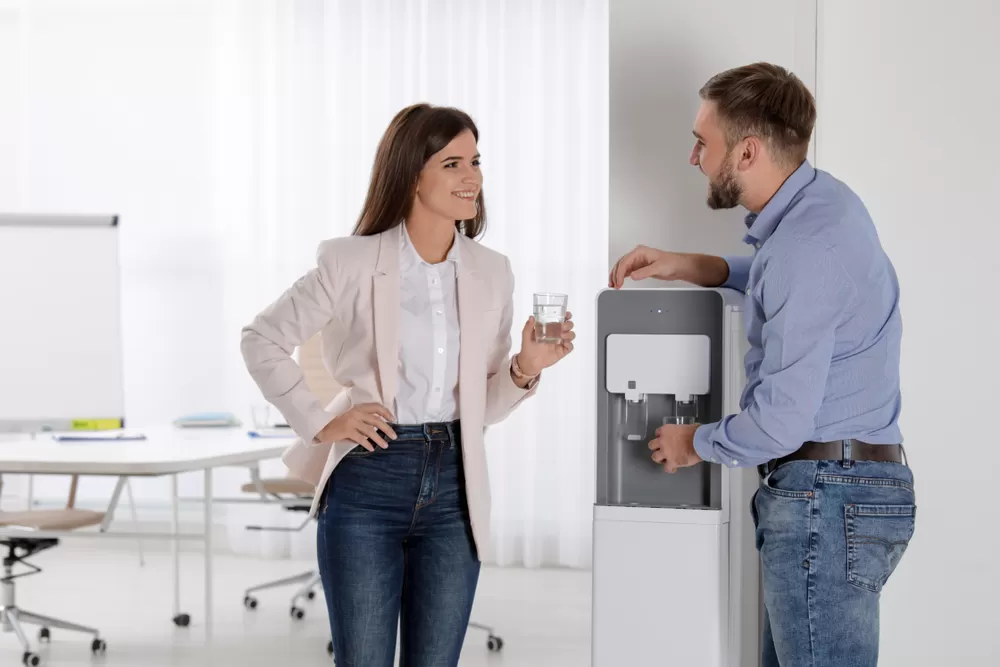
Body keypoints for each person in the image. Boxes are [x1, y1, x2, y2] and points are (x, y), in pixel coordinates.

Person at [240, 103, 575, 667]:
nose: (472, 176)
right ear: (411, 174)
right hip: (370, 479)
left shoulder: (492, 272)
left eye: (475, 161)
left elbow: (482, 408)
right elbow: (261, 338)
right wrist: (325, 421)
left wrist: (525, 366)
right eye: (452, 164)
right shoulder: (349, 261)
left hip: (453, 486)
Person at [609, 63, 916, 667]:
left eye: (704, 141)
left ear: (746, 152)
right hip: (848, 491)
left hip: (826, 503)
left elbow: (779, 424)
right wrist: (694, 265)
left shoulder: (804, 248)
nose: (693, 157)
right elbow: (788, 284)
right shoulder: (825, 206)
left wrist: (693, 442)